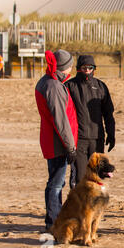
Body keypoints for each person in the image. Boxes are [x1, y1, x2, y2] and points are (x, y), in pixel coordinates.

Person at [35, 49, 78, 231]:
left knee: (54, 181)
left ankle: (53, 219)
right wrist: (70, 148)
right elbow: (61, 120)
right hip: (57, 143)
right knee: (56, 183)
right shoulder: (53, 86)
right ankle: (54, 222)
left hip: (52, 139)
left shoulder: (47, 81)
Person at [65, 55, 116, 188]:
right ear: (78, 69)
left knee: (96, 175)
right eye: (84, 68)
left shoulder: (100, 86)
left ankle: (93, 205)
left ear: (94, 69)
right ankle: (79, 206)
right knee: (80, 176)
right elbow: (63, 115)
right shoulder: (70, 86)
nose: (87, 70)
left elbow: (108, 113)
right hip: (78, 139)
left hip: (97, 138)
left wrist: (111, 134)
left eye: (90, 68)